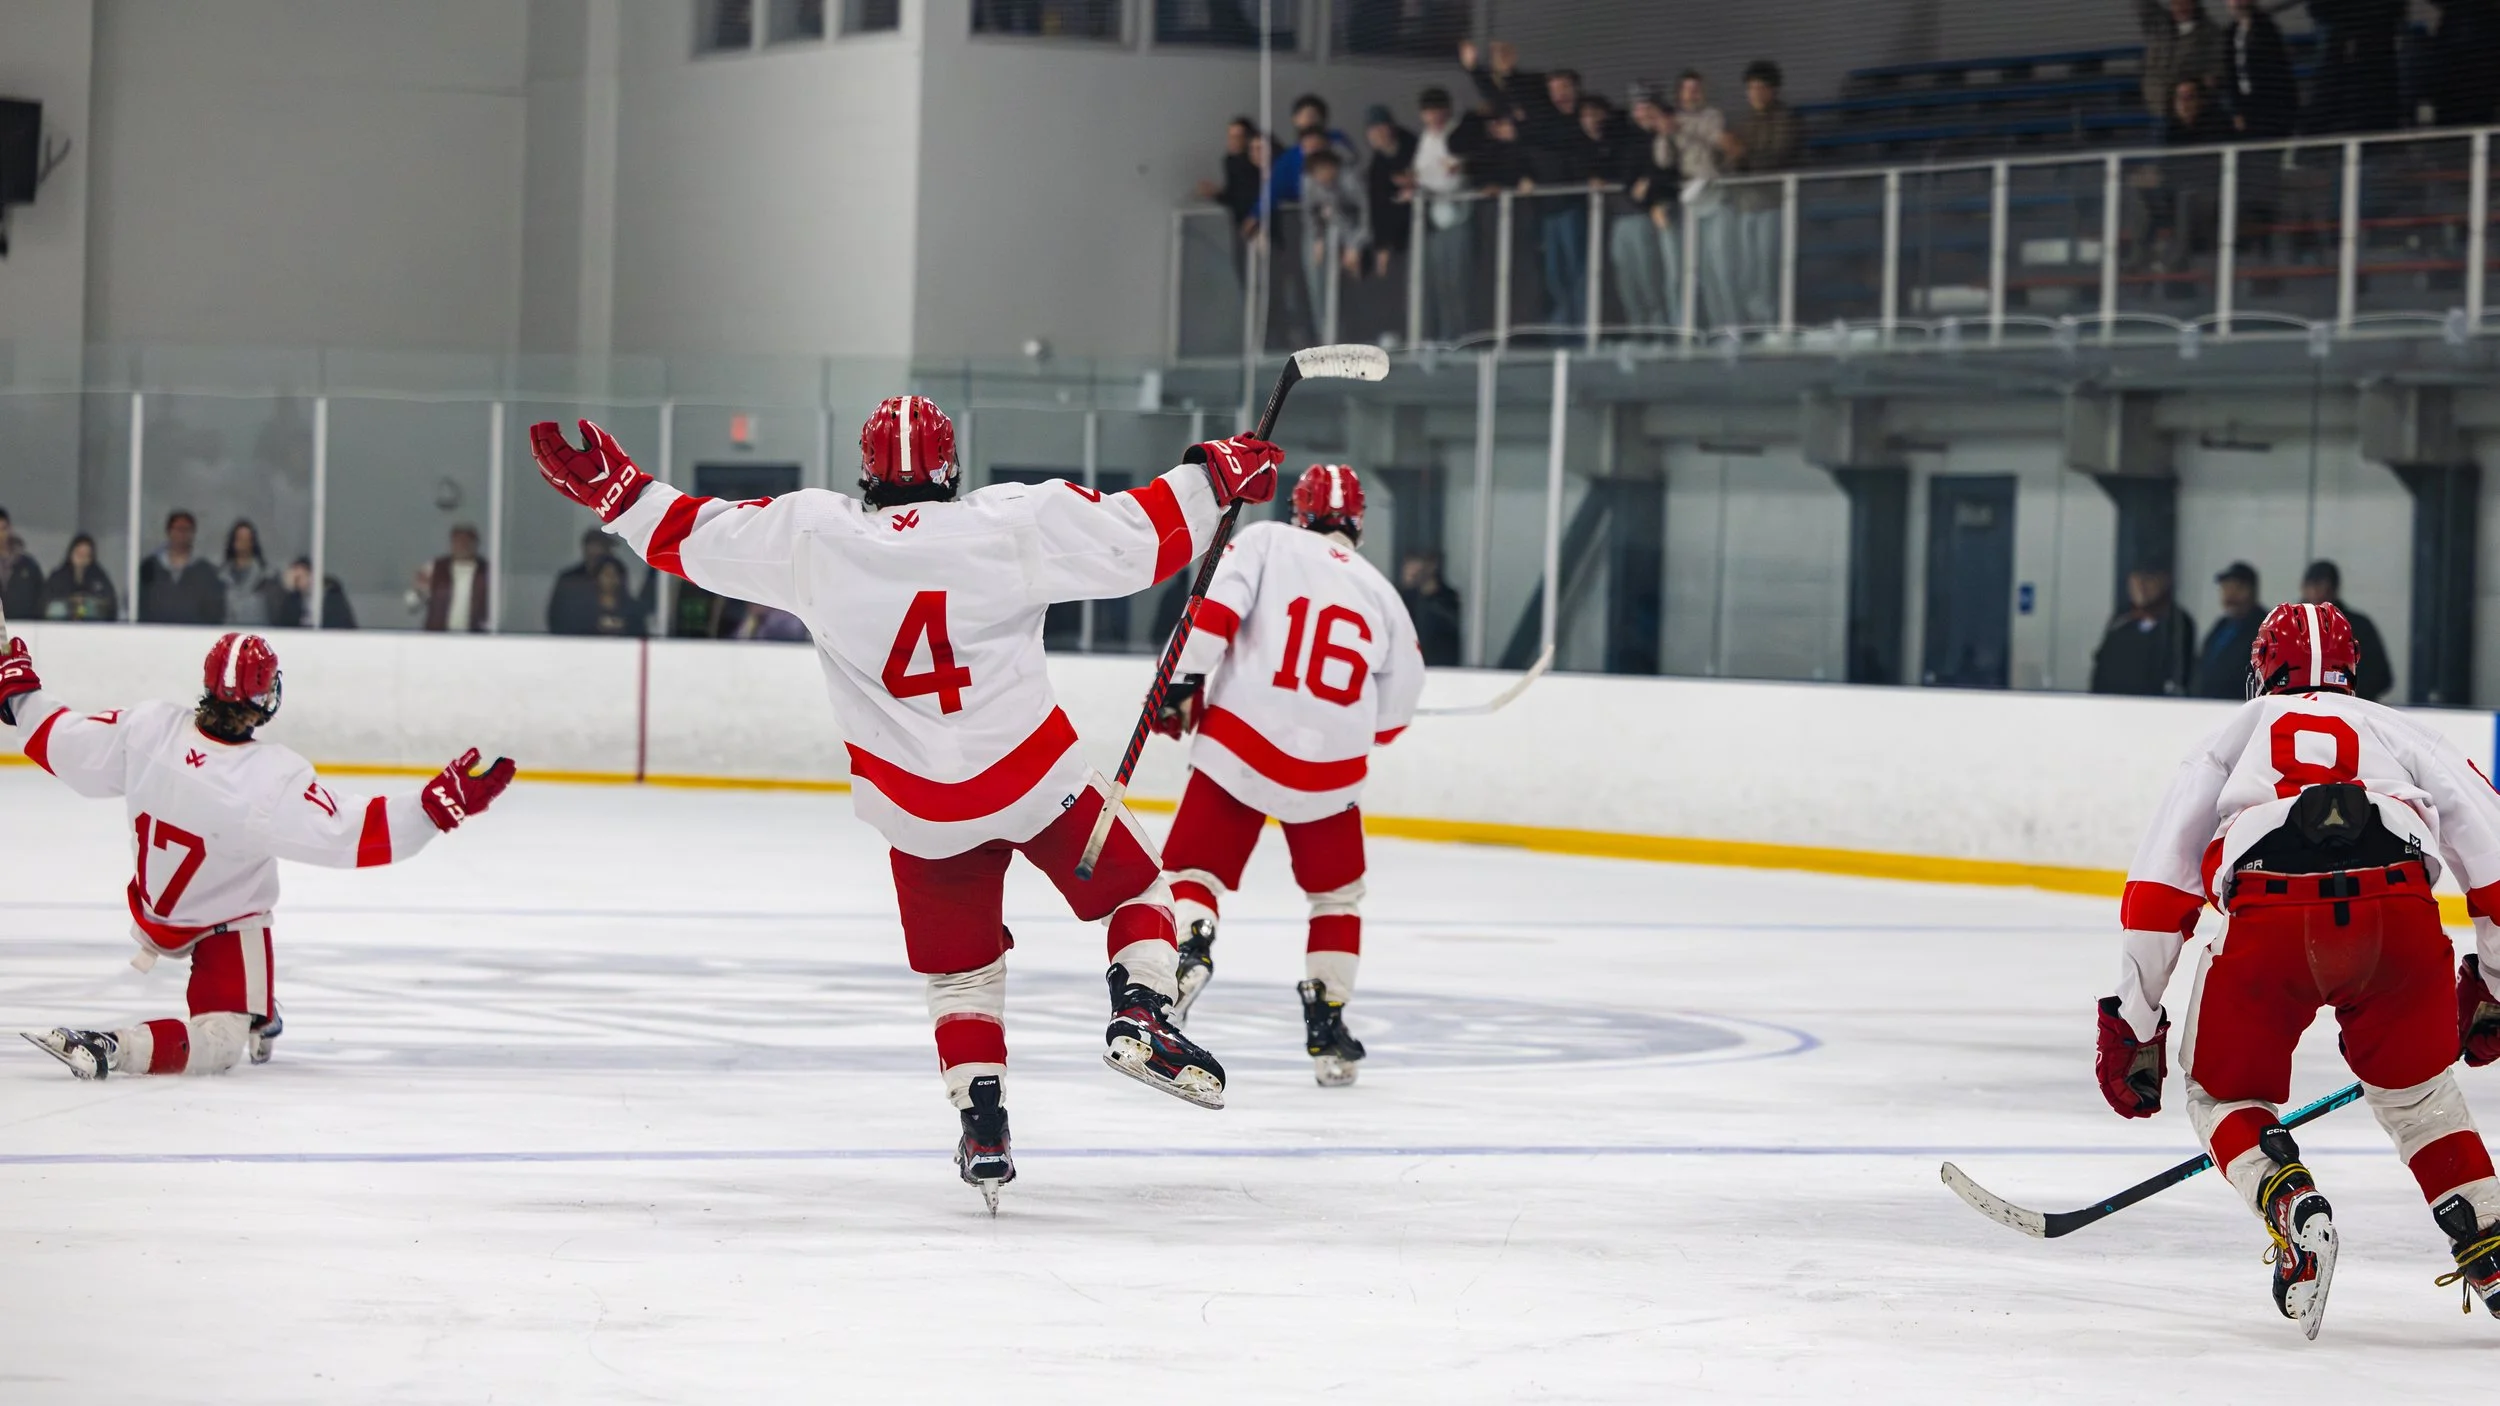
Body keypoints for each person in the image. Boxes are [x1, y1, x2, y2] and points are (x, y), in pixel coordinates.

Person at [527, 399, 1281, 1209]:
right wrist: (1213, 474)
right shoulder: (1012, 522)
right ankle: (1141, 1012)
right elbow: (1141, 535)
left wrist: (621, 492)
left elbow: (696, 537)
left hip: (916, 806)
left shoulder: (813, 537)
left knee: (961, 977)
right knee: (1136, 892)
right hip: (1032, 777)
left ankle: (983, 1127)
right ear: (953, 469)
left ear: (865, 470)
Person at [2095, 602, 2500, 1333]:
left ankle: (2290, 1202)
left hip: (2270, 918)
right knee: (2418, 1100)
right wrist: (2495, 989)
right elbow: (2497, 870)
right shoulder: (2402, 730)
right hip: (2397, 917)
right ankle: (2492, 1241)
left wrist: (2135, 1020)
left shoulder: (2230, 738)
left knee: (2223, 1097)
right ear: (2354, 672)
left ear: (2261, 669)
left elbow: (2157, 899)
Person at [2, 631, 513, 1079]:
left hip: (152, 909)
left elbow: (61, 743)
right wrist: (431, 811)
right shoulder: (271, 780)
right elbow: (350, 834)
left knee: (240, 1003)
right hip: (224, 923)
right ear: (266, 696)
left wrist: (18, 696)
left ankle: (256, 1002)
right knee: (221, 1045)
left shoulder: (149, 727)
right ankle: (121, 1048)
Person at [1152, 465, 1424, 1087]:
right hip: (1331, 768)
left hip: (1240, 742)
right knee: (1336, 897)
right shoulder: (1384, 594)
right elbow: (1397, 710)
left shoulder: (1265, 540)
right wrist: (1352, 729)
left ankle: (1191, 947)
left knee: (1195, 873)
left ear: (1300, 511)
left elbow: (1211, 617)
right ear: (1357, 523)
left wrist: (1177, 685)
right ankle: (1327, 1020)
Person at [1515, 67, 1600, 331]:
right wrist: (1525, 176)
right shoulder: (1545, 122)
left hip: (1575, 207)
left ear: (1575, 88)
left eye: (1564, 87)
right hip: (1548, 210)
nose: (1559, 94)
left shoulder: (1585, 118)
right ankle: (1563, 331)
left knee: (1579, 274)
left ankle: (1582, 332)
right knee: (1554, 276)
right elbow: (1528, 154)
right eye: (1553, 89)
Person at [1726, 60, 1800, 329]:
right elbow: (1730, 161)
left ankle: (1772, 323)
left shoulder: (1786, 119)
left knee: (1768, 268)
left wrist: (1743, 156)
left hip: (1773, 205)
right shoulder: (1744, 122)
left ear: (1773, 90)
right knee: (1748, 270)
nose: (1755, 93)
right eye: (1750, 88)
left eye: (1760, 87)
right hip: (1746, 206)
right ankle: (1753, 324)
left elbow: (1779, 156)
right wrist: (1734, 157)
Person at [1408, 86, 1479, 343]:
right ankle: (1444, 337)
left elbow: (1454, 179)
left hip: (1459, 217)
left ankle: (1463, 339)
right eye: (1429, 112)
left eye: (1439, 111)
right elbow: (1419, 173)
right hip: (1436, 221)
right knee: (1441, 283)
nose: (1434, 117)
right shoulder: (1426, 138)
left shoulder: (1458, 133)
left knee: (1460, 282)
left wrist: (1429, 181)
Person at [1671, 71, 1738, 330]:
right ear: (1679, 93)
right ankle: (1714, 327)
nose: (1692, 93)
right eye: (1687, 89)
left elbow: (1715, 136)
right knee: (1700, 271)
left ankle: (1733, 326)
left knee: (1721, 266)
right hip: (1688, 199)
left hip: (1713, 192)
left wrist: (1680, 126)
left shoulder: (1712, 115)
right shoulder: (1672, 120)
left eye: (1696, 88)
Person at [2089, 567, 2197, 696]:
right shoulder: (2122, 618)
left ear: (2164, 581)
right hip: (2110, 704)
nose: (2141, 586)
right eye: (2136, 579)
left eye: (2148, 579)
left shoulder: (2177, 622)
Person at [2299, 559, 2392, 699]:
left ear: (2334, 589)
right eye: (2311, 587)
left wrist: (2344, 693)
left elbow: (2381, 677)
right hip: (2299, 708)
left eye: (2321, 587)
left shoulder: (2358, 627)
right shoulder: (2290, 627)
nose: (2315, 593)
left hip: (2350, 710)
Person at [2133, 0, 2226, 122]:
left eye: (2185, 2)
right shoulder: (2160, 26)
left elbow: (2215, 71)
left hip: (2190, 112)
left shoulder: (2210, 33)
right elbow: (2142, 6)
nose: (2180, 7)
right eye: (2175, 3)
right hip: (2156, 106)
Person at [1360, 104, 1417, 281]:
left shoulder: (1414, 147)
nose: (1378, 134)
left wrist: (1416, 183)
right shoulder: (1377, 165)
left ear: (1391, 127)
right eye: (1372, 130)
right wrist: (1382, 246)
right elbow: (1378, 205)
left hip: (1423, 227)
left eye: (1381, 128)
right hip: (1399, 236)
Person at [2194, 561, 2266, 698]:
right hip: (2207, 706)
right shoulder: (2221, 624)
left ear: (2251, 590)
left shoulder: (2264, 627)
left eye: (2236, 588)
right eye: (2225, 588)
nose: (2230, 595)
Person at [138, 511, 224, 625]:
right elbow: (137, 604)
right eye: (178, 529)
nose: (182, 534)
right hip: (154, 636)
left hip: (195, 637)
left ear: (193, 534)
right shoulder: (149, 568)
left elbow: (214, 612)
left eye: (186, 530)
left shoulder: (205, 571)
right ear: (169, 532)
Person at [416, 524, 491, 633]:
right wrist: (420, 588)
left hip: (475, 638)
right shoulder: (435, 567)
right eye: (457, 541)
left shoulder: (487, 571)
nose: (461, 545)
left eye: (466, 542)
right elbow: (413, 606)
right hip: (438, 637)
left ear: (475, 544)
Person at [1398, 549, 1464, 666]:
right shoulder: (1406, 599)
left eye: (1415, 562)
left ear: (1432, 565)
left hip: (1441, 672)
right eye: (1407, 562)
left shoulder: (1447, 600)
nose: (1409, 568)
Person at [43, 535, 118, 622]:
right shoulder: (58, 576)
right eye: (79, 553)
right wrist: (70, 600)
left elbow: (108, 602)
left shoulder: (99, 577)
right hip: (62, 624)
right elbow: (47, 601)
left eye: (86, 555)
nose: (82, 558)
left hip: (91, 625)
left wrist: (86, 600)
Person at [218, 520, 277, 628]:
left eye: (247, 539)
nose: (243, 543)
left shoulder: (266, 576)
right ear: (233, 542)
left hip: (258, 634)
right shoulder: (220, 578)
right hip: (229, 636)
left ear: (253, 542)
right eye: (240, 538)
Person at [274, 558, 356, 630]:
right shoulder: (294, 599)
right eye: (296, 579)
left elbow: (341, 623)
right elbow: (284, 624)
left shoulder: (332, 596)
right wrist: (289, 590)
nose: (299, 582)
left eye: (301, 577)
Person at [0, 508, 44, 619]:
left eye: (3, 529)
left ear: (10, 529)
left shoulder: (29, 566)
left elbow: (40, 599)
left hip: (24, 627)